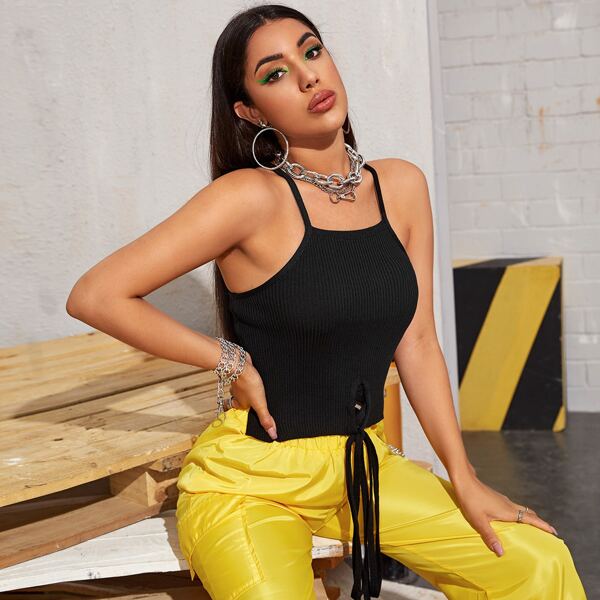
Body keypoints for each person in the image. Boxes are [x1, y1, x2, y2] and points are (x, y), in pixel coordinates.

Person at [66, 4, 588, 599]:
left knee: (538, 564)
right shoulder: (248, 199)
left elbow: (417, 341)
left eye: (311, 51)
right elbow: (96, 295)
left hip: (362, 463)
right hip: (251, 480)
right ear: (250, 111)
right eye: (275, 73)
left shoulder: (402, 186)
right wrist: (227, 358)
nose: (308, 75)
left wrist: (463, 477)